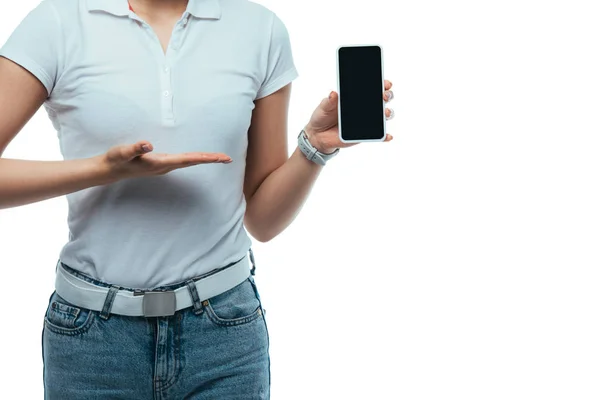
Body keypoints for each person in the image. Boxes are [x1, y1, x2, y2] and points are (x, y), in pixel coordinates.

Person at [0, 0, 395, 398]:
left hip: (224, 334)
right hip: (91, 342)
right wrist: (105, 170)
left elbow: (263, 220)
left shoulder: (260, 30)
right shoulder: (57, 23)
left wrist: (313, 147)